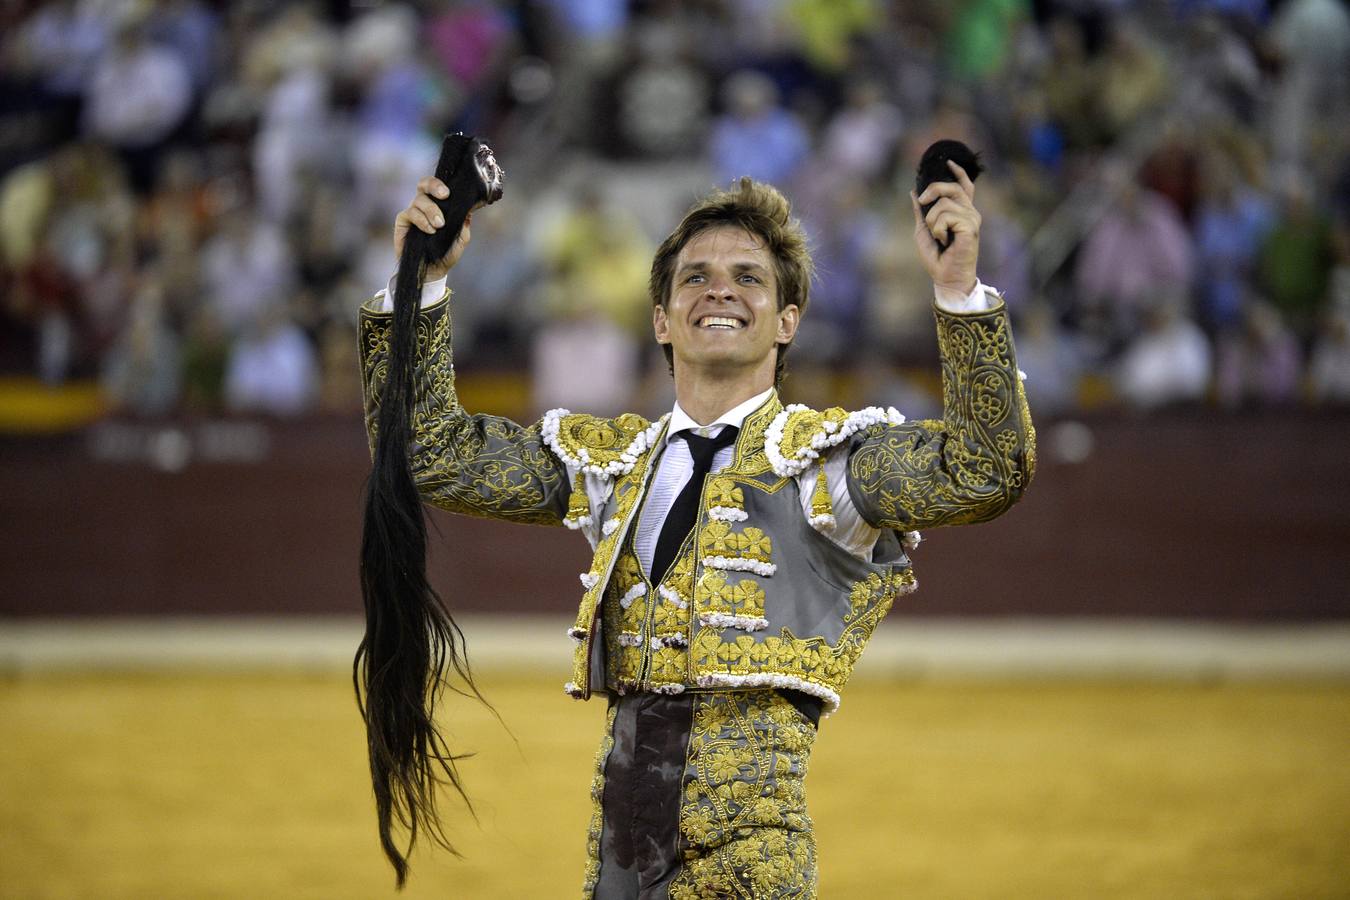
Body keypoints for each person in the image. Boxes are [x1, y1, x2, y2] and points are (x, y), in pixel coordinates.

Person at [358, 164, 1035, 897]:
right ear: (660, 318)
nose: (720, 291)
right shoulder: (613, 465)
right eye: (695, 278)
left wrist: (959, 292)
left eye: (749, 278)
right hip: (617, 858)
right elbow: (432, 457)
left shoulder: (828, 466)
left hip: (746, 863)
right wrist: (417, 283)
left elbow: (986, 470)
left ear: (788, 321)